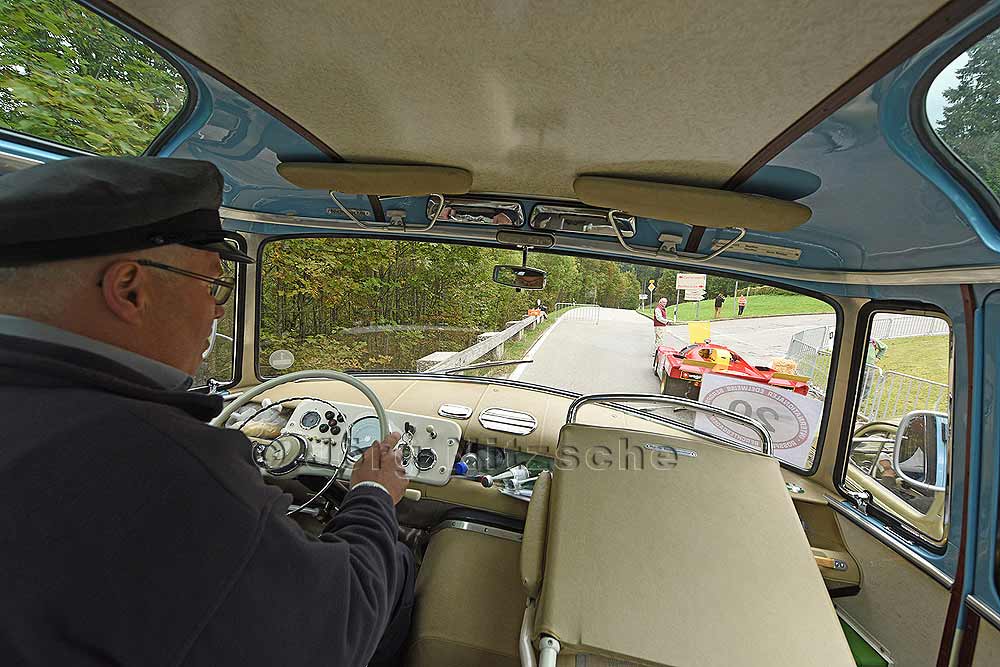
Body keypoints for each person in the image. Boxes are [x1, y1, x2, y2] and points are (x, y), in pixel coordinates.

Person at [0, 157, 414, 666]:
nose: (218, 309)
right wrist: (373, 497)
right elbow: (340, 629)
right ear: (130, 288)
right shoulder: (167, 469)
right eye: (211, 284)